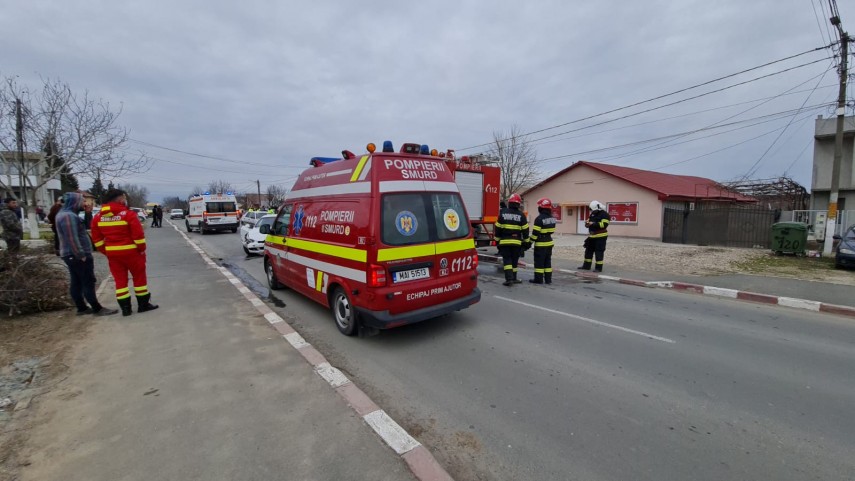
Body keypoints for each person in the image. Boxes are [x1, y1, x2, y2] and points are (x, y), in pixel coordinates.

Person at [90, 188, 159, 316]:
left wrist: (107, 251)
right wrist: (141, 249)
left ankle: (126, 309)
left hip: (113, 255)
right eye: (124, 198)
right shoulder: (128, 214)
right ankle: (143, 305)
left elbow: (96, 239)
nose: (125, 200)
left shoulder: (98, 217)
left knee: (120, 281)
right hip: (132, 253)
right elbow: (138, 236)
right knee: (139, 278)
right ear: (120, 198)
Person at [55, 192, 118, 316]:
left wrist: (88, 213)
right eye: (82, 201)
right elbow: (72, 238)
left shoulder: (67, 214)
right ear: (74, 202)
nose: (85, 203)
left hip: (71, 254)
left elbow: (82, 227)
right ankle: (97, 308)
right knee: (87, 281)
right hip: (76, 255)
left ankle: (82, 307)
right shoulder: (68, 216)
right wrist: (81, 255)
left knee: (77, 281)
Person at [494, 193, 529, 286]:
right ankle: (514, 278)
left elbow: (497, 228)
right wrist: (526, 243)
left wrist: (497, 240)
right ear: (518, 204)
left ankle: (509, 279)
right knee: (514, 261)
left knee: (507, 261)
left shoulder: (503, 213)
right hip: (517, 243)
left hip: (505, 242)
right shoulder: (521, 215)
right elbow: (526, 230)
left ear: (509, 202)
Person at [529, 198, 557, 284]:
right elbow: (552, 230)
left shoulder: (539, 219)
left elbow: (535, 233)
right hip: (549, 242)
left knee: (539, 263)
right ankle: (548, 280)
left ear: (541, 207)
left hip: (541, 243)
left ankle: (538, 279)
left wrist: (529, 242)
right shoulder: (552, 218)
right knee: (547, 262)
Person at [578, 200, 610, 272]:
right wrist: (587, 223)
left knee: (599, 252)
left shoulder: (605, 214)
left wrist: (593, 224)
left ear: (598, 208)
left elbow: (604, 225)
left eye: (593, 210)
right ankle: (586, 266)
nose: (592, 211)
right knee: (588, 251)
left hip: (601, 236)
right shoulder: (593, 213)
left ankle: (598, 268)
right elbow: (588, 221)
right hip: (592, 236)